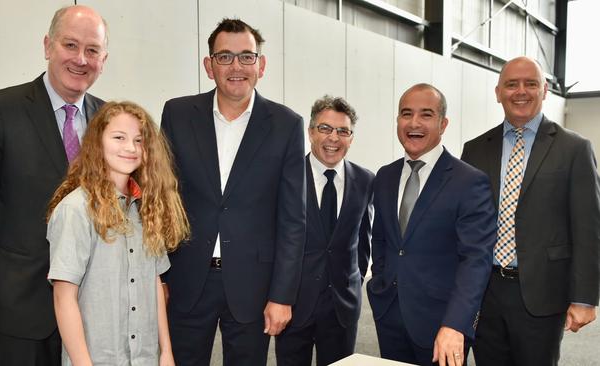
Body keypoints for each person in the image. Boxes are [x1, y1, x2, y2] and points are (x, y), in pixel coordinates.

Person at [0, 5, 108, 365]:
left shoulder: (110, 120)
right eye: (70, 45)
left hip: (93, 313)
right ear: (47, 46)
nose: (81, 59)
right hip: (20, 311)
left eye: (92, 50)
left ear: (104, 59)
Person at [160, 18, 305, 366]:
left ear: (261, 65)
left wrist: (282, 296)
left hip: (253, 285)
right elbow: (162, 199)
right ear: (209, 66)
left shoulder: (287, 125)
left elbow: (293, 220)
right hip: (186, 278)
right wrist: (159, 275)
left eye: (246, 57)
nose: (236, 66)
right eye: (224, 57)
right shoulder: (178, 114)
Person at [461, 56, 600, 365]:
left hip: (543, 293)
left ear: (545, 90)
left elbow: (588, 228)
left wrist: (584, 297)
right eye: (511, 84)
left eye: (530, 84)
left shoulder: (574, 148)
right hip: (485, 293)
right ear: (498, 92)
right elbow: (464, 223)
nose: (520, 91)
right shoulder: (475, 149)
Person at [45, 101, 188, 366]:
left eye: (139, 140)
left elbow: (155, 285)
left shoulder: (148, 209)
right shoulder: (76, 209)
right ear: (97, 142)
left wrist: (165, 352)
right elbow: (63, 297)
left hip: (145, 358)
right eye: (119, 137)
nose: (130, 148)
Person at [367, 83, 497, 366]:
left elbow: (476, 259)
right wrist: (380, 282)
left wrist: (456, 324)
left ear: (443, 123)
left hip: (443, 325)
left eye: (426, 114)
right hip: (389, 313)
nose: (414, 123)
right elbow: (381, 240)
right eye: (406, 114)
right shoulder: (385, 177)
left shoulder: (469, 181)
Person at [275, 96, 374, 366]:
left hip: (342, 308)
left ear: (351, 138)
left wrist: (351, 283)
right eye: (325, 129)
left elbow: (363, 245)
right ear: (310, 132)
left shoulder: (366, 181)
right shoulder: (286, 176)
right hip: (293, 305)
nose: (334, 138)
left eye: (343, 131)